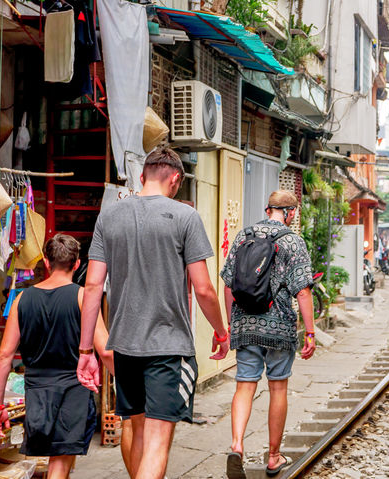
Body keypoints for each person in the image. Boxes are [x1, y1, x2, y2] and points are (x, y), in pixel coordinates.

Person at [78, 146, 230, 479]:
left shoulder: (109, 217)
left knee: (137, 429)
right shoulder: (185, 216)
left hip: (125, 347)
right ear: (175, 179)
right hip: (167, 347)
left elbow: (92, 288)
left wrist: (85, 350)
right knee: (158, 443)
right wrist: (221, 330)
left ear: (143, 175)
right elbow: (203, 289)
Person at [0, 234, 114, 479]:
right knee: (59, 464)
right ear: (77, 264)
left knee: (55, 462)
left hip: (37, 391)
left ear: (46, 263)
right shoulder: (82, 298)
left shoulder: (21, 300)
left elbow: (4, 356)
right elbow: (106, 351)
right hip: (73, 391)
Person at [220, 190, 316, 478]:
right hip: (279, 327)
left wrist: (229, 325)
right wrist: (310, 333)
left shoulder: (243, 235)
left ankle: (237, 446)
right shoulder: (292, 241)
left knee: (244, 386)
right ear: (291, 213)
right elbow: (303, 290)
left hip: (245, 325)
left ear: (267, 209)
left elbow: (228, 284)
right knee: (277, 387)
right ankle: (273, 457)